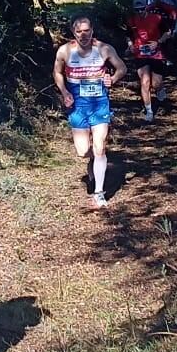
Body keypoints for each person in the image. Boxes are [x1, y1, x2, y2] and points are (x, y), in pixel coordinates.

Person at [52, 15, 127, 209]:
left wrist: (113, 79)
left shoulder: (104, 49)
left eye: (87, 31)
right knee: (83, 150)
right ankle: (93, 161)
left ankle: (99, 194)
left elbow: (122, 68)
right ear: (73, 32)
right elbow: (57, 73)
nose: (83, 35)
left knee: (100, 146)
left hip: (100, 102)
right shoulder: (65, 51)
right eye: (79, 31)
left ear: (92, 31)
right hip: (77, 103)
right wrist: (65, 91)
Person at [125, 0, 175, 121]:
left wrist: (158, 42)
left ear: (146, 8)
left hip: (156, 53)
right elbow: (128, 35)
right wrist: (130, 45)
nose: (140, 12)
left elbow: (168, 32)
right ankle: (149, 111)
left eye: (142, 9)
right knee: (145, 81)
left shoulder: (157, 18)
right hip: (140, 54)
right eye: (137, 10)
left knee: (156, 83)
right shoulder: (131, 21)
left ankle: (161, 93)